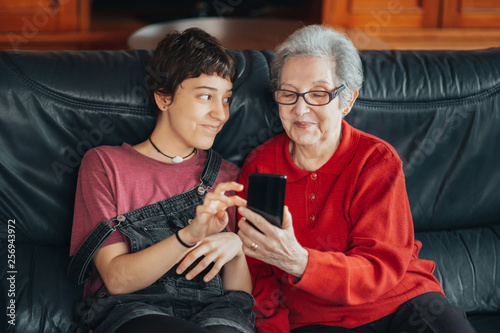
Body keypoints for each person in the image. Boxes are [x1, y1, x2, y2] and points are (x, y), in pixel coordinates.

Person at [236, 25, 476, 333]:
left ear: (347, 101)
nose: (300, 108)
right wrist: (274, 328)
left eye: (318, 93)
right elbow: (256, 268)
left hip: (400, 304)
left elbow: (380, 266)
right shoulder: (261, 165)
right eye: (288, 93)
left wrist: (301, 262)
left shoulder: (376, 159)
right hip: (314, 318)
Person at [68, 28, 255, 333]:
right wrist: (189, 235)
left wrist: (235, 247)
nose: (220, 114)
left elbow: (240, 298)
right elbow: (116, 280)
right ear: (164, 98)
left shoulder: (229, 177)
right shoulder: (104, 165)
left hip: (216, 314)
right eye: (205, 96)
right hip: (133, 311)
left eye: (227, 99)